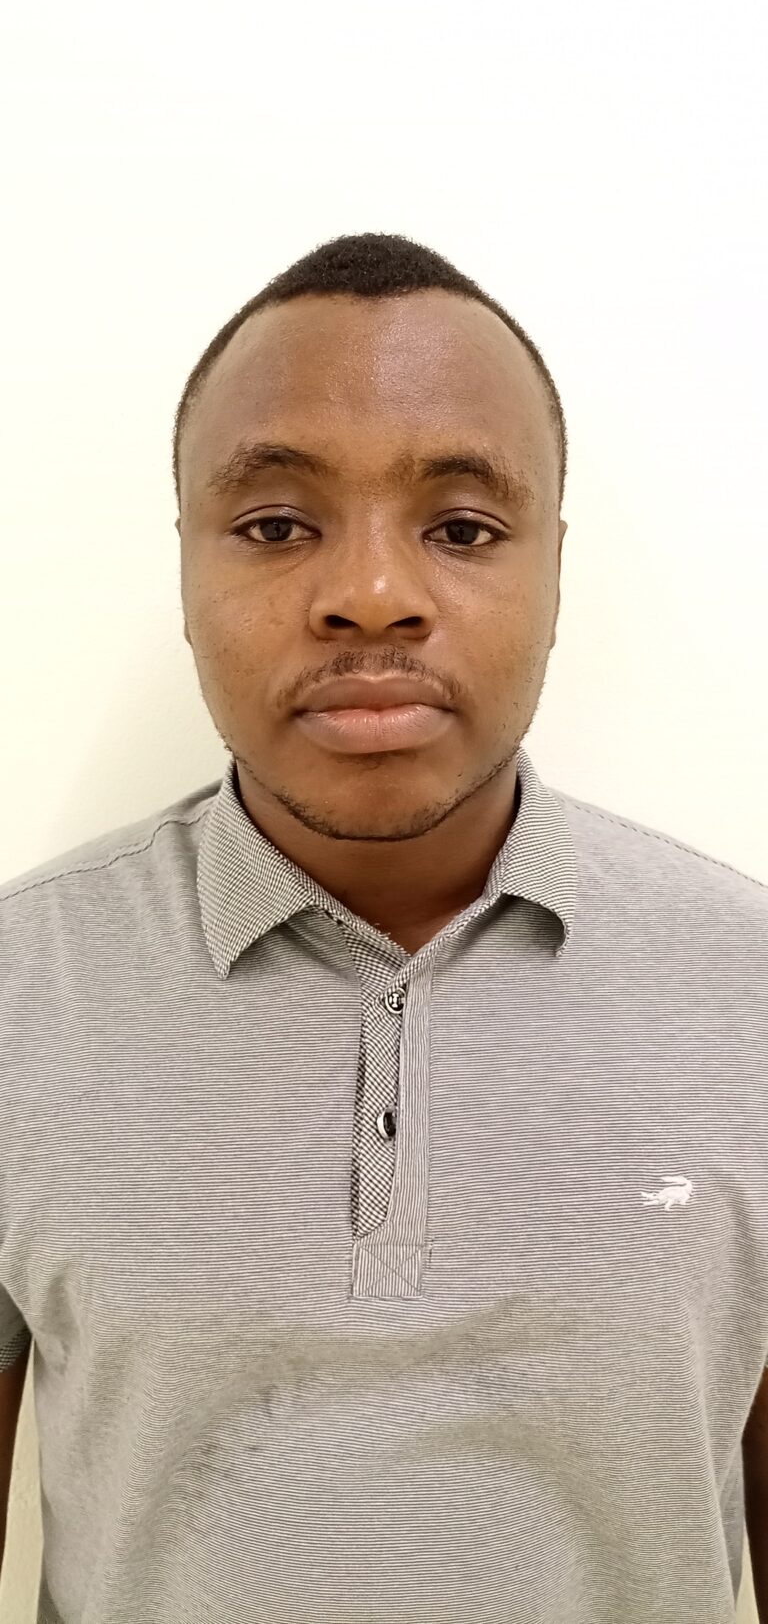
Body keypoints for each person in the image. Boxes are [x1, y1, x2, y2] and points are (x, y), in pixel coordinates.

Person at [1, 232, 766, 1624]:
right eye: (275, 525)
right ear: (186, 567)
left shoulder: (749, 993)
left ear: (552, 571)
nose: (369, 593)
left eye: (462, 528)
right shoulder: (16, 993)